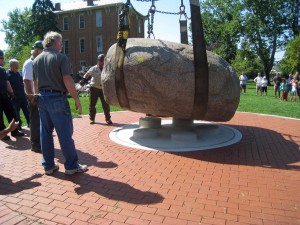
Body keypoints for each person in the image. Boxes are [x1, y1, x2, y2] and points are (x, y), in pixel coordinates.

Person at [33, 31, 87, 175]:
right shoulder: (60, 57)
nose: (62, 45)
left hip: (42, 98)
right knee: (64, 134)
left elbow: (35, 83)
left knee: (45, 133)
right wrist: (77, 99)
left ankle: (48, 165)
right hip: (57, 98)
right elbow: (68, 80)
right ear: (55, 43)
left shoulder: (36, 60)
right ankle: (71, 166)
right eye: (61, 42)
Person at [23, 41, 44, 153]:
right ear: (36, 50)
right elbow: (27, 81)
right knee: (35, 121)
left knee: (39, 120)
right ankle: (35, 144)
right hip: (33, 97)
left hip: (39, 96)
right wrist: (32, 97)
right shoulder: (29, 63)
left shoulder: (37, 62)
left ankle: (39, 141)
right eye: (41, 50)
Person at [0, 50, 24, 140]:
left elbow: (7, 82)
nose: (3, 60)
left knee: (12, 112)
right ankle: (2, 133)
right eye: (1, 58)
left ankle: (15, 130)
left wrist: (11, 92)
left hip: (5, 95)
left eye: (3, 58)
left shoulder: (2, 69)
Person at [81, 54, 112, 125]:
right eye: (101, 61)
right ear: (98, 61)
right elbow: (87, 73)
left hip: (103, 89)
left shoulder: (106, 68)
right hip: (94, 88)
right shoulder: (94, 68)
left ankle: (108, 119)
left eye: (103, 61)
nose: (102, 63)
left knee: (106, 104)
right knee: (92, 104)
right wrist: (83, 79)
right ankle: (92, 118)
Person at [7, 59, 30, 130]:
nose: (17, 67)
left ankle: (30, 123)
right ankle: (18, 126)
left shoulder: (20, 73)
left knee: (27, 111)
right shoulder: (7, 74)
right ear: (11, 66)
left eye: (17, 65)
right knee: (16, 113)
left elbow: (24, 83)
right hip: (14, 98)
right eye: (15, 65)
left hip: (23, 96)